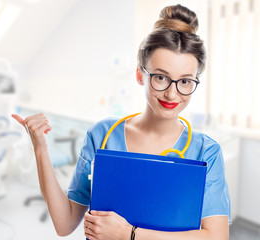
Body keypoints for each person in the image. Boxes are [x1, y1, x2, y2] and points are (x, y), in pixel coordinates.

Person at [12, 4, 231, 240]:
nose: (172, 94)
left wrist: (130, 234)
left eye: (185, 81)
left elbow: (216, 237)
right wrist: (40, 149)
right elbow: (64, 224)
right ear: (140, 75)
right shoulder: (103, 135)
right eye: (160, 77)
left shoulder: (206, 151)